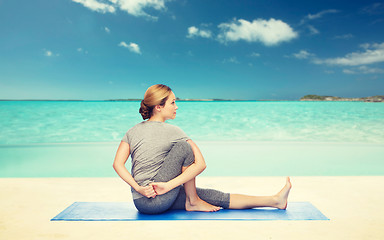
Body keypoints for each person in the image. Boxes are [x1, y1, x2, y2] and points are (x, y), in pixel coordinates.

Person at [113, 84, 292, 214]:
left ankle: (275, 200)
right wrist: (168, 186)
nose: (176, 107)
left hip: (141, 202)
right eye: (173, 102)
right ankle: (193, 201)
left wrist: (139, 188)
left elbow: (117, 165)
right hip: (159, 198)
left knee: (213, 197)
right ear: (159, 107)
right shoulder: (174, 132)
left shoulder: (132, 131)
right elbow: (200, 164)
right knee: (185, 147)